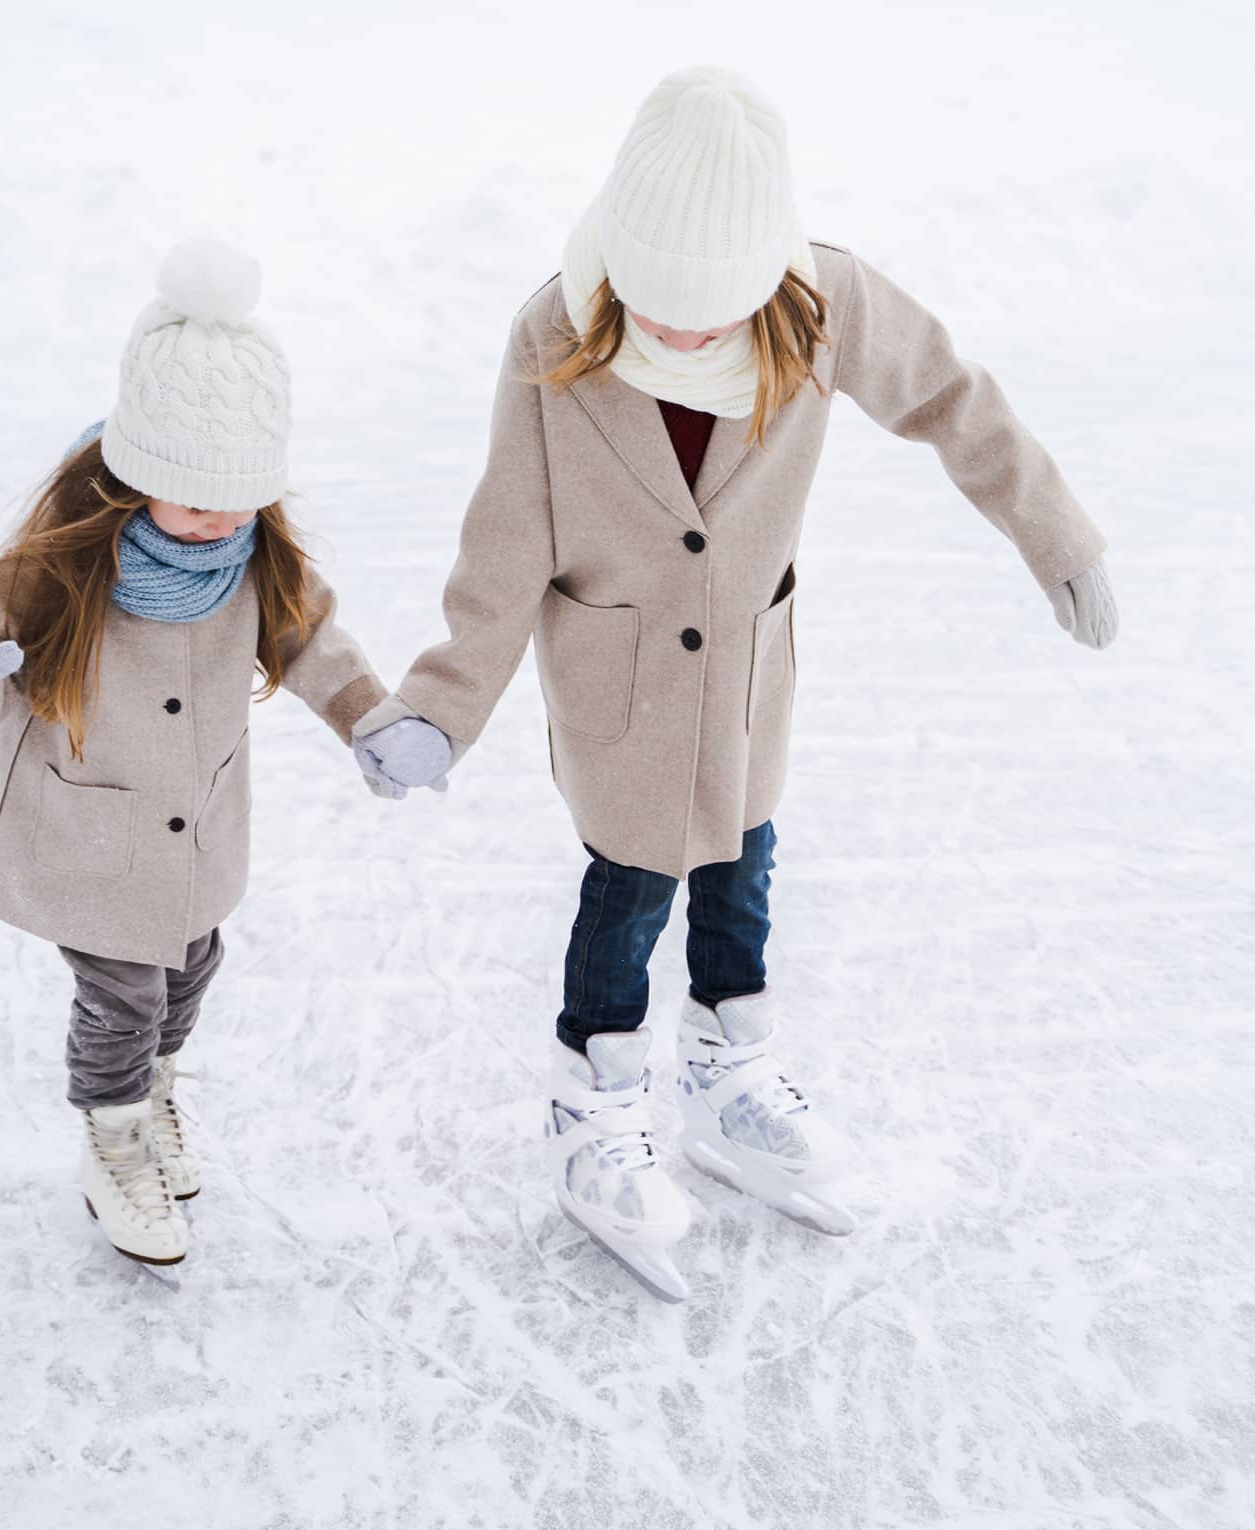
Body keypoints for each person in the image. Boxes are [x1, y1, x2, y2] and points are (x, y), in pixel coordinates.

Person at [350, 67, 1117, 1301]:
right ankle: (597, 1104)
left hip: (751, 680)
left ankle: (728, 1075)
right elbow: (506, 537)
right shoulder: (555, 328)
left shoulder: (826, 303)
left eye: (712, 307)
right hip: (621, 684)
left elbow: (952, 399)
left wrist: (1057, 535)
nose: (687, 333)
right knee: (632, 886)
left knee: (745, 866)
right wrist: (443, 705)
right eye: (660, 306)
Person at [0, 238, 448, 1266]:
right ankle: (113, 1142)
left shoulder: (252, 556)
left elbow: (312, 644)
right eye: (198, 498)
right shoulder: (58, 561)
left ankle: (154, 1095)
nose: (221, 522)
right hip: (87, 824)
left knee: (195, 965)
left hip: (196, 826)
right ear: (137, 474)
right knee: (123, 996)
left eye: (242, 498)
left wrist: (373, 718)